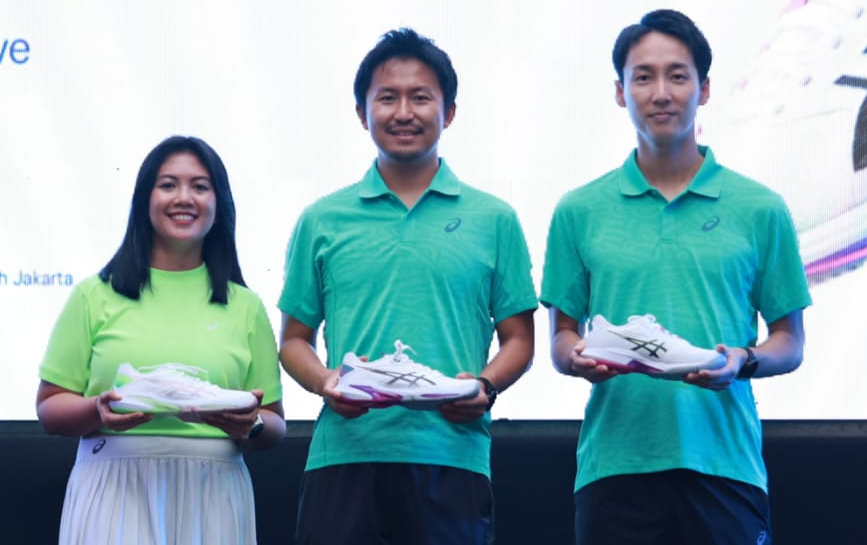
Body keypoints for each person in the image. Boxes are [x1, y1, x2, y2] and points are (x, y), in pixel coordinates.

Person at [542, 10, 812, 544]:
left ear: (704, 89)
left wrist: (742, 360)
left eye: (678, 76)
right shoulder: (579, 209)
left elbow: (790, 341)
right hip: (615, 467)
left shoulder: (760, 207)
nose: (661, 93)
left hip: (726, 465)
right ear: (620, 92)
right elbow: (561, 337)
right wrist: (576, 358)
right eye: (643, 77)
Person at [280, 28, 538, 545]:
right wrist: (325, 381)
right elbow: (293, 341)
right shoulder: (322, 219)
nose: (404, 112)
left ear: (449, 112)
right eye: (387, 98)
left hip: (452, 457)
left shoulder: (494, 218)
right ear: (362, 113)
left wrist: (485, 386)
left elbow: (520, 340)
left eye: (420, 97)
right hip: (345, 456)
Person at [36, 135, 285, 545]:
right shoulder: (93, 295)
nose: (184, 198)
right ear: (144, 199)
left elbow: (273, 423)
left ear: (219, 203)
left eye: (200, 186)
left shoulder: (245, 305)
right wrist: (97, 410)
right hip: (113, 488)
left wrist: (251, 425)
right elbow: (50, 407)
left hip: (214, 492)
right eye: (168, 185)